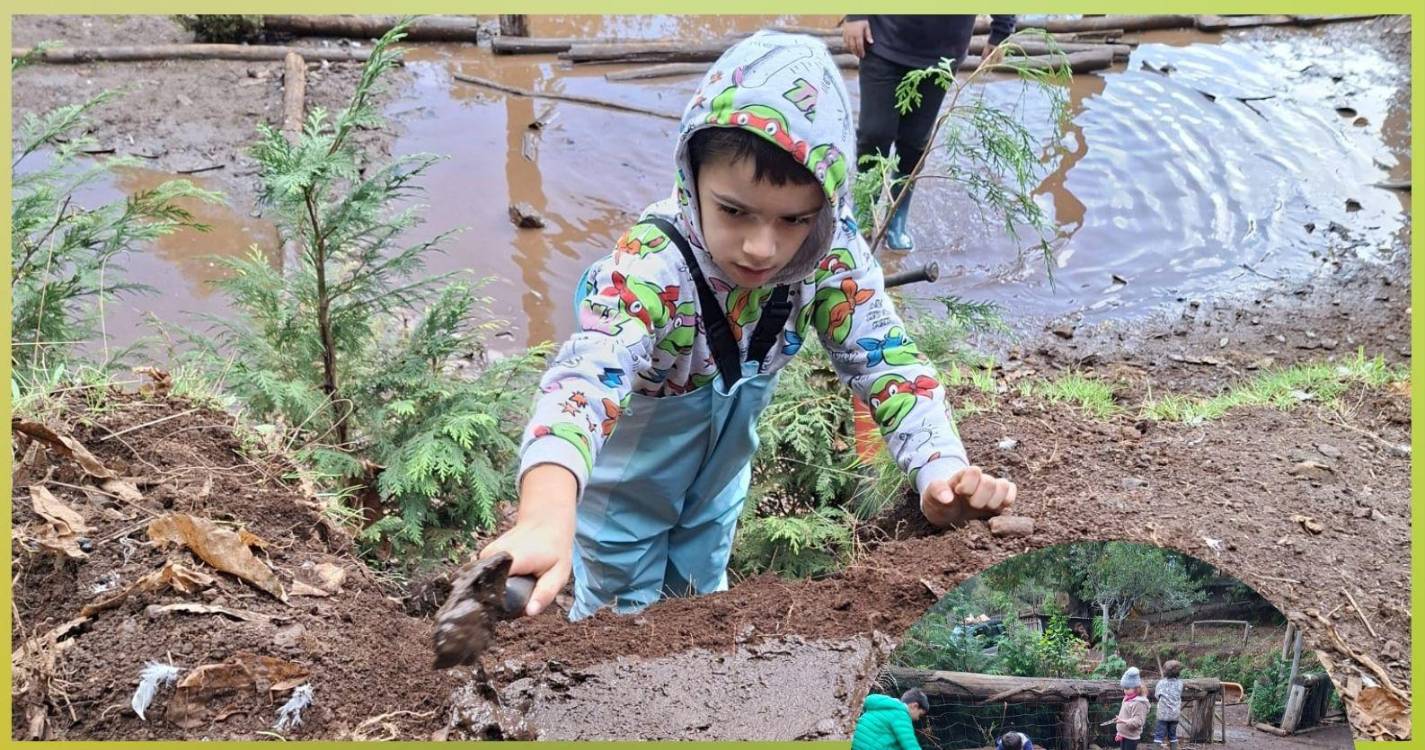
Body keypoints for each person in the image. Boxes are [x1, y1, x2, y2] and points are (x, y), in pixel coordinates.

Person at [478, 31, 1018, 621]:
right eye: (735, 211)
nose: (763, 249)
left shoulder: (829, 258)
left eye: (794, 220)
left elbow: (889, 362)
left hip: (716, 495)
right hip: (622, 501)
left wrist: (939, 468)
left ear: (824, 209)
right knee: (619, 621)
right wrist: (547, 513)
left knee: (702, 607)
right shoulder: (653, 267)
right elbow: (586, 376)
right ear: (692, 177)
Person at [842, 14, 1017, 251]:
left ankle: (897, 215)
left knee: (915, 141)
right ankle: (865, 209)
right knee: (874, 133)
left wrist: (1001, 32)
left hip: (943, 51)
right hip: (881, 36)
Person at [851, 688, 930, 750]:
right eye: (920, 714)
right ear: (914, 706)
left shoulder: (882, 706)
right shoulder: (901, 715)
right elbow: (910, 744)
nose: (917, 719)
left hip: (849, 745)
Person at [1113, 667, 1151, 750]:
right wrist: (1120, 730)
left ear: (1136, 688)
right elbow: (1126, 714)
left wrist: (1123, 721)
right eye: (1123, 688)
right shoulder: (1128, 698)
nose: (1124, 691)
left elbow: (1138, 721)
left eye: (1127, 688)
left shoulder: (1139, 703)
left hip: (1131, 737)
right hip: (1124, 735)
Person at [1151, 660, 1184, 750]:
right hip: (1175, 715)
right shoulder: (1180, 683)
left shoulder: (1161, 683)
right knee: (1173, 736)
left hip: (1162, 715)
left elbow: (1157, 696)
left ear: (1165, 671)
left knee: (1159, 736)